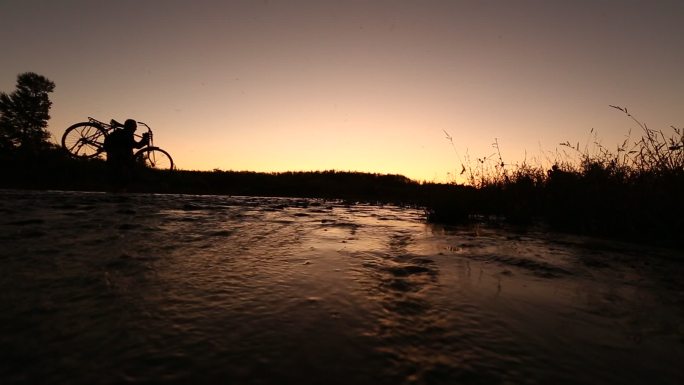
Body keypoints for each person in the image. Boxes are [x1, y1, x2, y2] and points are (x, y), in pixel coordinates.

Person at [104, 119, 149, 189]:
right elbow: (136, 145)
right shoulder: (127, 134)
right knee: (123, 176)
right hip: (119, 158)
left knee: (116, 176)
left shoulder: (120, 132)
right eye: (134, 127)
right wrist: (144, 140)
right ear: (130, 127)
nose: (136, 129)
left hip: (113, 157)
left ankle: (116, 190)